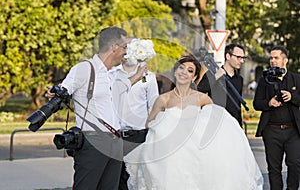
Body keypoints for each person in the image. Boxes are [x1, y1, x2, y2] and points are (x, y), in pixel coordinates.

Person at [124, 55, 263, 190]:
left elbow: (215, 124)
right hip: (171, 158)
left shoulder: (202, 99)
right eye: (181, 68)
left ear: (194, 77)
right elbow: (150, 124)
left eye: (190, 70)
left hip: (195, 157)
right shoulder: (163, 99)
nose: (184, 72)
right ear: (175, 71)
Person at [47, 26, 147, 190]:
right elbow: (63, 90)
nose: (126, 52)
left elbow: (121, 87)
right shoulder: (84, 68)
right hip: (93, 142)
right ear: (114, 47)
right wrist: (53, 92)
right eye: (124, 47)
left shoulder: (110, 73)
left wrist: (139, 74)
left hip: (115, 142)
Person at [109, 38, 159, 190]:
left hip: (138, 137)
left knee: (136, 180)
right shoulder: (111, 75)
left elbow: (154, 107)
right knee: (114, 181)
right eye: (125, 47)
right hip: (114, 135)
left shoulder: (149, 77)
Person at [253, 45, 300, 190]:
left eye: (276, 58)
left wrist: (292, 96)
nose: (272, 61)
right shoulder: (263, 80)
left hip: (293, 131)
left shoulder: (296, 79)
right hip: (271, 131)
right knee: (274, 168)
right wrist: (269, 102)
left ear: (285, 60)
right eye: (271, 58)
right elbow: (256, 103)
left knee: (295, 163)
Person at [197, 43, 247, 127]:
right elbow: (200, 89)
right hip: (215, 123)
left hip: (233, 124)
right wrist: (216, 77)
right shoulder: (212, 74)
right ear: (228, 56)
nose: (241, 61)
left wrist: (239, 126)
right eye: (238, 57)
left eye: (243, 58)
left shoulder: (239, 79)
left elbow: (237, 105)